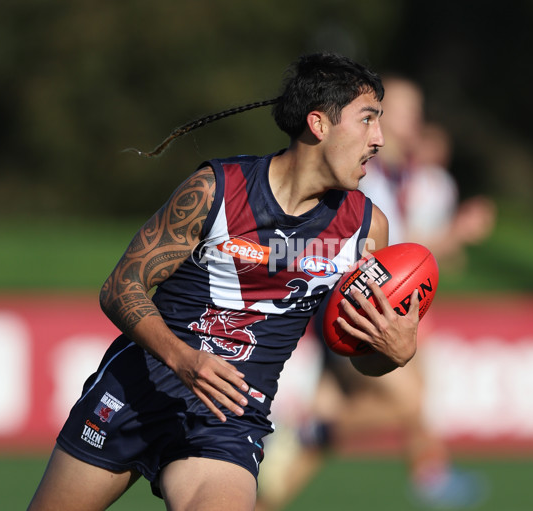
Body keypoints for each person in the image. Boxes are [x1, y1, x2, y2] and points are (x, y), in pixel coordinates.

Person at [27, 52, 421, 511]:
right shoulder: (215, 190)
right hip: (134, 392)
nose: (379, 139)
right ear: (318, 124)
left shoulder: (366, 229)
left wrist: (393, 354)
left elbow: (360, 356)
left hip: (228, 419)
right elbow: (120, 287)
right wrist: (183, 360)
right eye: (368, 120)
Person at [256, 77, 494, 511]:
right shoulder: (360, 174)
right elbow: (391, 253)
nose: (408, 123)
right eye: (395, 112)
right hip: (348, 308)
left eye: (413, 112)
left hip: (373, 307)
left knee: (313, 449)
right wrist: (454, 232)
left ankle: (271, 491)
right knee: (409, 401)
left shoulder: (409, 177)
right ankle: (415, 469)